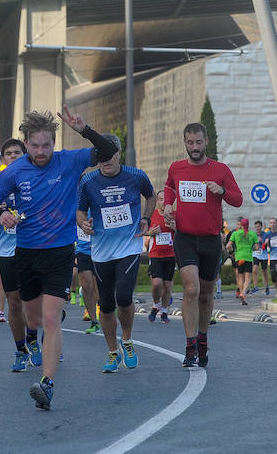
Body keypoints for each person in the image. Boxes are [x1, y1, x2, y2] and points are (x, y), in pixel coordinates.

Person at [0, 106, 117, 410]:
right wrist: (2, 213)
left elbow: (108, 150)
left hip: (59, 252)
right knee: (34, 319)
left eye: (46, 145)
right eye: (35, 145)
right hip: (26, 253)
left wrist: (84, 129)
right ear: (26, 143)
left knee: (51, 319)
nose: (41, 152)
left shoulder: (69, 161)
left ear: (54, 143)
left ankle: (47, 383)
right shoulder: (16, 170)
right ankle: (35, 335)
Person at [163, 122, 242, 369]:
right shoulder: (177, 168)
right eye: (190, 143)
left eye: (198, 142)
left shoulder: (220, 170)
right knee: (191, 289)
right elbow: (169, 188)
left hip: (210, 240)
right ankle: (189, 345)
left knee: (206, 293)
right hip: (185, 238)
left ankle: (203, 339)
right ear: (184, 143)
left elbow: (238, 199)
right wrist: (167, 206)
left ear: (206, 142)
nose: (194, 148)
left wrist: (221, 190)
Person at [76, 133, 154, 373]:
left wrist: (145, 218)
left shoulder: (137, 176)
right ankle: (112, 351)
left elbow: (151, 196)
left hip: (128, 246)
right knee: (107, 304)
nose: (105, 161)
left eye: (110, 155)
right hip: (100, 251)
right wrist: (83, 224)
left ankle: (127, 340)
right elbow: (80, 212)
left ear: (119, 153)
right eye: (100, 156)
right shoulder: (88, 181)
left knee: (123, 296)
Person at [0, 138, 33, 372]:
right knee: (14, 302)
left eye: (17, 152)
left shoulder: (34, 180)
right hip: (8, 251)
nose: (13, 156)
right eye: (9, 153)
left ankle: (38, 340)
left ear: (25, 154)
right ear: (2, 160)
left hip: (34, 247)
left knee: (36, 302)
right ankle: (21, 349)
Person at [146, 190, 175, 323]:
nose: (163, 202)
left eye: (165, 199)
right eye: (161, 199)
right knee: (157, 284)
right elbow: (144, 231)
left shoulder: (173, 215)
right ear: (157, 201)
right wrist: (150, 232)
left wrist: (175, 228)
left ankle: (164, 311)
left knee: (168, 285)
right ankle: (155, 304)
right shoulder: (152, 215)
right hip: (156, 254)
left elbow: (182, 232)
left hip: (171, 254)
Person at [74, 215, 100, 335]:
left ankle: (104, 309)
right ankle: (94, 320)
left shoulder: (97, 198)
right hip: (83, 250)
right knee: (86, 283)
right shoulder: (75, 202)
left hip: (101, 248)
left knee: (99, 285)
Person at [226, 218, 258, 306]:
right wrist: (251, 247)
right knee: (247, 278)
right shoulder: (253, 234)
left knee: (240, 278)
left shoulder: (235, 233)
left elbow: (228, 246)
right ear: (248, 224)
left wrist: (232, 252)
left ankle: (241, 294)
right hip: (248, 257)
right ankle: (243, 293)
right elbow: (256, 248)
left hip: (238, 257)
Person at [250, 220, 268, 294]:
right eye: (256, 227)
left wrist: (263, 241)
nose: (257, 228)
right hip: (255, 254)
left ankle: (266, 287)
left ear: (261, 227)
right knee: (254, 270)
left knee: (264, 272)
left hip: (263, 255)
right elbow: (251, 245)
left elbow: (267, 244)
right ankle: (255, 287)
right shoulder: (253, 235)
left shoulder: (265, 234)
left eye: (259, 226)